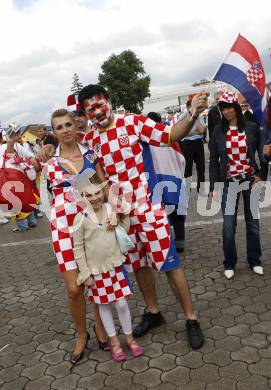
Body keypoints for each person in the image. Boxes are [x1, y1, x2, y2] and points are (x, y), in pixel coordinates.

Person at [77, 84, 208, 349]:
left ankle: (191, 318)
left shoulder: (134, 122)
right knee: (139, 265)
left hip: (149, 211)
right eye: (91, 109)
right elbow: (85, 169)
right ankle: (153, 312)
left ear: (109, 101)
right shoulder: (91, 140)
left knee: (170, 264)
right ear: (86, 114)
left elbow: (172, 133)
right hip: (122, 218)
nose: (97, 111)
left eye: (100, 104)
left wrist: (192, 114)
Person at [42, 109, 110, 365]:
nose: (65, 130)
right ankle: (82, 335)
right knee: (74, 289)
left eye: (68, 124)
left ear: (75, 125)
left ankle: (101, 330)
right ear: (54, 132)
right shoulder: (48, 162)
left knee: (95, 283)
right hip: (62, 228)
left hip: (91, 225)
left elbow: (103, 188)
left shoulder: (91, 154)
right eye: (59, 127)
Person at [73, 175, 144, 361]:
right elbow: (78, 248)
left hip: (115, 267)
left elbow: (125, 229)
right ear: (81, 196)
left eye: (97, 193)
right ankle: (114, 343)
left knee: (121, 303)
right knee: (104, 306)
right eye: (88, 195)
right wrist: (85, 272)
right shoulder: (80, 219)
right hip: (97, 272)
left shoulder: (109, 209)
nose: (94, 198)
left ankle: (129, 338)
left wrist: (120, 216)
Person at [209, 92, 264, 279]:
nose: (226, 111)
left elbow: (262, 153)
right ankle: (230, 262)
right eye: (222, 107)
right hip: (228, 183)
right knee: (228, 226)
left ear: (236, 107)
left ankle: (255, 260)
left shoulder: (251, 127)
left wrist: (261, 174)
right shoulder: (218, 131)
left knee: (253, 223)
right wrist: (214, 187)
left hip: (250, 180)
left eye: (229, 106)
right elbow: (214, 161)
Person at [147, 111, 186, 253]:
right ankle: (180, 242)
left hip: (155, 181)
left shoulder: (147, 140)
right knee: (177, 212)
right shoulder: (171, 138)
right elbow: (182, 160)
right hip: (174, 178)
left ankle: (166, 243)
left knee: (162, 214)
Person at [0, 125, 39, 231]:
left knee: (13, 203)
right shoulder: (17, 145)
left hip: (7, 179)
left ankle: (22, 226)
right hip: (21, 176)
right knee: (25, 199)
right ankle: (32, 222)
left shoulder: (3, 147)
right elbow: (32, 157)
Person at [180, 100, 206, 193]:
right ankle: (187, 187)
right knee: (188, 166)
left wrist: (194, 117)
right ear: (188, 108)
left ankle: (201, 187)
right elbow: (181, 132)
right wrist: (194, 132)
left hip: (198, 142)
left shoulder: (200, 116)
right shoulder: (182, 116)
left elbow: (202, 130)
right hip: (186, 143)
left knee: (201, 166)